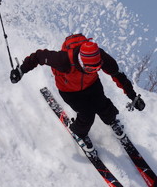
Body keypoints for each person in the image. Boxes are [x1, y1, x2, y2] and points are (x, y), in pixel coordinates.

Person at [10, 33, 145, 152]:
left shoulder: (100, 56)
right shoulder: (63, 60)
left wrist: (133, 97)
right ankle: (79, 133)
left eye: (96, 69)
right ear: (81, 62)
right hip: (69, 90)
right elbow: (38, 56)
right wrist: (21, 70)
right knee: (87, 114)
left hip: (92, 84)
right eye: (89, 69)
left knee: (102, 104)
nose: (93, 70)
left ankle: (112, 121)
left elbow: (118, 75)